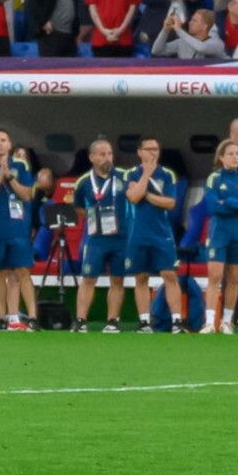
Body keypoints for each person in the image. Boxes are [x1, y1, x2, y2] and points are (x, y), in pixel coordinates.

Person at [73, 137, 143, 333]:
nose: (107, 158)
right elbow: (78, 207)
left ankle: (112, 320)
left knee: (117, 279)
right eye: (102, 154)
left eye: (110, 154)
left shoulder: (124, 176)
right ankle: (81, 320)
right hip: (96, 239)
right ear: (92, 157)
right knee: (88, 278)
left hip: (121, 237)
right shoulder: (84, 182)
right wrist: (91, 216)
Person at [123, 135, 184, 332]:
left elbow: (171, 203)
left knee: (169, 274)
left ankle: (176, 321)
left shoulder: (167, 175)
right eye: (148, 149)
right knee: (141, 277)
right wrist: (146, 174)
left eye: (155, 149)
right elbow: (133, 197)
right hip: (138, 233)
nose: (152, 153)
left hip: (161, 233)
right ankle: (144, 322)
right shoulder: (131, 174)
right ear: (140, 152)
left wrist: (147, 195)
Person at [201, 138, 238, 334]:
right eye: (230, 154)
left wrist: (229, 202)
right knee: (215, 276)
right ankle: (209, 322)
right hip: (219, 233)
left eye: (237, 154)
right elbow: (214, 207)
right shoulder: (214, 178)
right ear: (222, 157)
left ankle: (226, 321)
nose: (234, 157)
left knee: (234, 278)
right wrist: (237, 203)